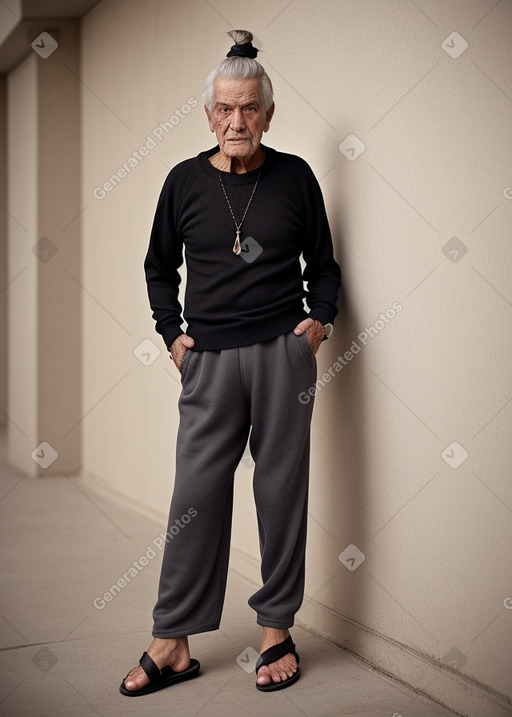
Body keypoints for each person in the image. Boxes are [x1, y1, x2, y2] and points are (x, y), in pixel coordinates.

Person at [120, 29, 341, 696]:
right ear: (209, 113)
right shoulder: (183, 182)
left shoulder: (295, 176)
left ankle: (277, 629)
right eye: (225, 108)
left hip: (282, 355)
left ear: (267, 114)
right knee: (195, 496)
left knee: (279, 493)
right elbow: (159, 267)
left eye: (249, 108)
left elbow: (325, 266)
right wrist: (172, 333)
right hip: (208, 360)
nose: (236, 120)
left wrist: (319, 322)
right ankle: (174, 638)